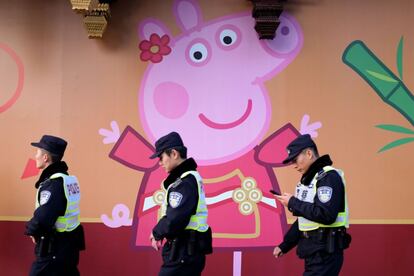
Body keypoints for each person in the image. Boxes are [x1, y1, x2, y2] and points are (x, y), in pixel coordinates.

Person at [272, 134, 351, 276]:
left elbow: (326, 214)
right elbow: (306, 219)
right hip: (315, 253)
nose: (294, 165)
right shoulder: (310, 180)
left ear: (309, 153)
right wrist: (285, 245)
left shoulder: (328, 177)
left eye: (295, 159)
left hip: (325, 254)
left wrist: (293, 203)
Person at [149, 132, 212, 276]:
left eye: (161, 157)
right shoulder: (186, 179)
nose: (159, 162)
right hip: (185, 252)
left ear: (174, 154)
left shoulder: (185, 182)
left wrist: (157, 232)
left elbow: (176, 218)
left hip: (183, 252)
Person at [25, 135, 85, 276]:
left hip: (54, 249)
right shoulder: (67, 180)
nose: (35, 156)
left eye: (37, 152)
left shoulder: (54, 183)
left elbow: (45, 216)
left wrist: (31, 229)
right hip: (69, 246)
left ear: (45, 157)